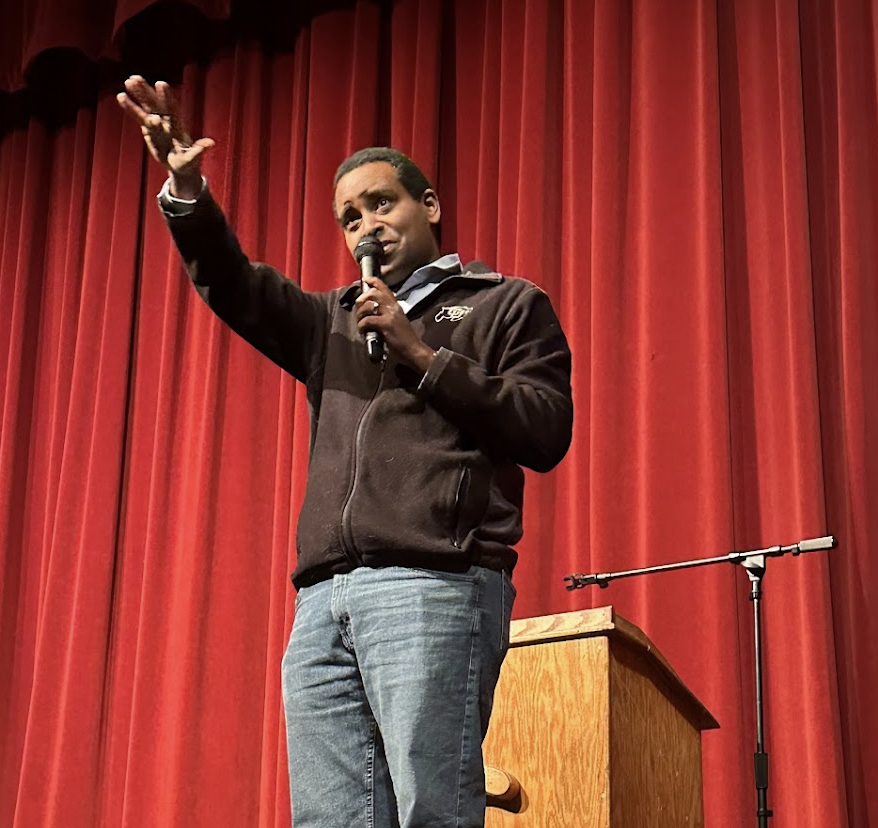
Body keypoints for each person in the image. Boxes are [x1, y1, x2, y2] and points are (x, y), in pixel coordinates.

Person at [117, 75, 573, 828]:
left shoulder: (504, 303)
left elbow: (545, 428)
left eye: (382, 203)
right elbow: (234, 285)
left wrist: (420, 354)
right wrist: (186, 187)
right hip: (323, 602)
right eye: (350, 217)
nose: (366, 227)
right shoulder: (329, 322)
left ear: (428, 206)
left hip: (435, 582)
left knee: (434, 812)